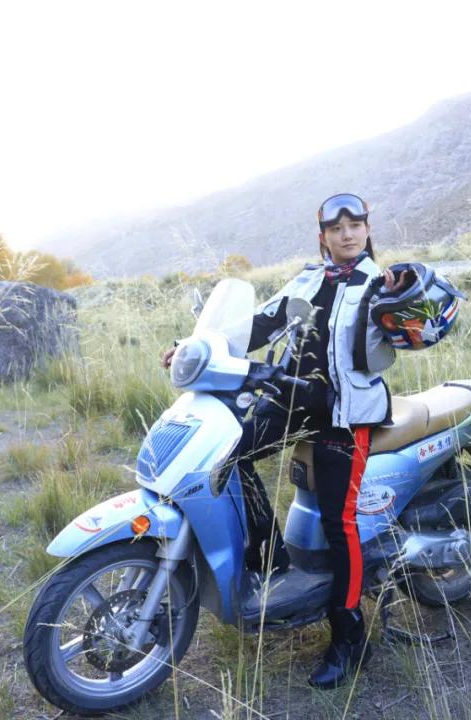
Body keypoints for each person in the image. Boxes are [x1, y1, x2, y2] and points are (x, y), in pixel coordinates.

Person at [163, 193, 403, 689]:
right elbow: (255, 325)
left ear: (366, 230)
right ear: (323, 237)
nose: (346, 234)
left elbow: (413, 322)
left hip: (344, 414)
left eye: (354, 225)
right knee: (228, 458)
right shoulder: (308, 281)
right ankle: (271, 560)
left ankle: (350, 635)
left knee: (339, 521)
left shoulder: (380, 285)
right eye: (335, 228)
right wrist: (193, 348)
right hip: (293, 398)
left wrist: (408, 295)